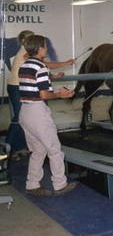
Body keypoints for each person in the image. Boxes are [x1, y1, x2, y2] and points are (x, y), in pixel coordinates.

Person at [18, 35, 76, 196]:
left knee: (37, 151)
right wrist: (60, 94)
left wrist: (53, 78)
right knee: (55, 150)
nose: (47, 49)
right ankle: (59, 184)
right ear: (40, 49)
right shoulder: (41, 67)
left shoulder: (25, 65)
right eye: (45, 46)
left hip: (25, 111)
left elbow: (36, 82)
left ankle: (32, 184)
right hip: (38, 112)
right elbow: (44, 94)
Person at [6, 30, 74, 161]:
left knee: (21, 118)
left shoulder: (26, 56)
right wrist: (65, 63)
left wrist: (53, 76)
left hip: (18, 86)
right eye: (30, 38)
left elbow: (36, 71)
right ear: (23, 41)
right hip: (16, 87)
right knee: (18, 118)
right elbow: (41, 66)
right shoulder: (25, 53)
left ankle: (18, 147)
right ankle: (8, 148)